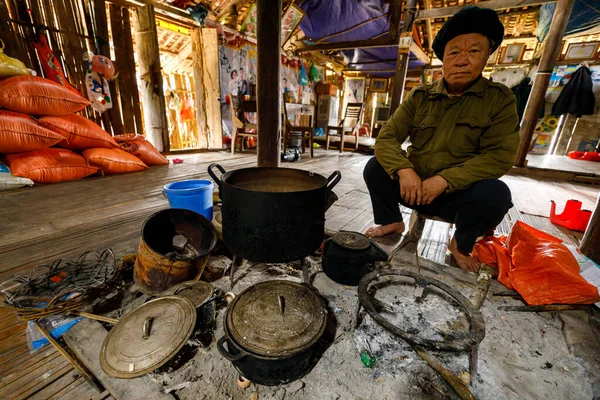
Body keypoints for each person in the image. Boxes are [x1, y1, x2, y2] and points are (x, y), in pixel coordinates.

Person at [363, 6, 519, 273]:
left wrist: (445, 180)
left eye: (473, 51)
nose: (461, 60)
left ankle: (460, 243)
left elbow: (499, 157)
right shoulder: (420, 96)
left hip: (458, 197)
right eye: (454, 52)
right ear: (444, 59)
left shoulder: (500, 99)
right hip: (413, 188)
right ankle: (391, 221)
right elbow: (387, 138)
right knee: (375, 167)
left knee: (497, 194)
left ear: (487, 56)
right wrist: (404, 170)